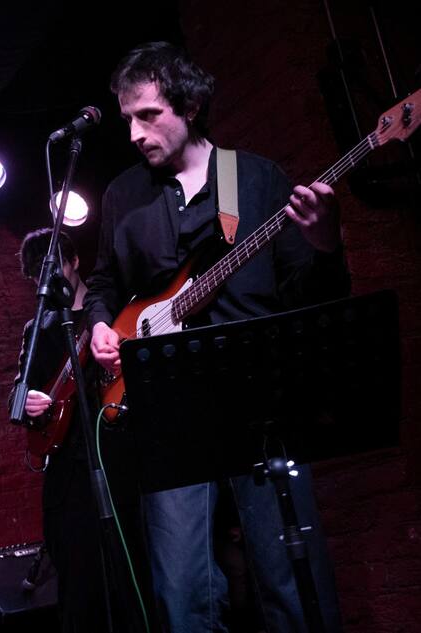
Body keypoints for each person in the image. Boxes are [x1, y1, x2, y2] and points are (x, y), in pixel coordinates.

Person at [85, 42, 349, 632]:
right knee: (181, 593)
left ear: (192, 105)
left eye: (147, 115)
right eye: (127, 117)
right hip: (168, 408)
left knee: (289, 576)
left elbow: (312, 295)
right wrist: (99, 323)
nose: (133, 132)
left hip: (259, 398)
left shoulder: (255, 179)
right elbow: (104, 283)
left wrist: (327, 242)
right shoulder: (124, 195)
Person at [12, 228, 143, 632]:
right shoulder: (37, 329)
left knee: (130, 568)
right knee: (78, 578)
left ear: (75, 262)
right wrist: (28, 402)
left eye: (52, 271)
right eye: (36, 277)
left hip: (119, 452)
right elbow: (16, 395)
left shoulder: (110, 314)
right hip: (67, 467)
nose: (45, 283)